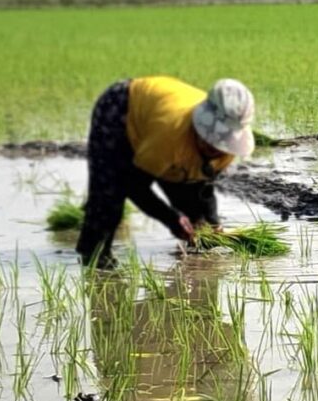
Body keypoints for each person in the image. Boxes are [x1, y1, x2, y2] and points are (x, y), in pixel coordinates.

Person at [76, 76, 254, 265]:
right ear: (201, 128)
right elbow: (134, 186)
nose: (217, 149)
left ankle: (197, 261)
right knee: (110, 193)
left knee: (195, 213)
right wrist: (171, 218)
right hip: (121, 107)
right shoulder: (169, 136)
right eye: (212, 142)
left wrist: (212, 225)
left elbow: (202, 187)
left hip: (164, 132)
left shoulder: (227, 149)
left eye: (222, 143)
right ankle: (93, 257)